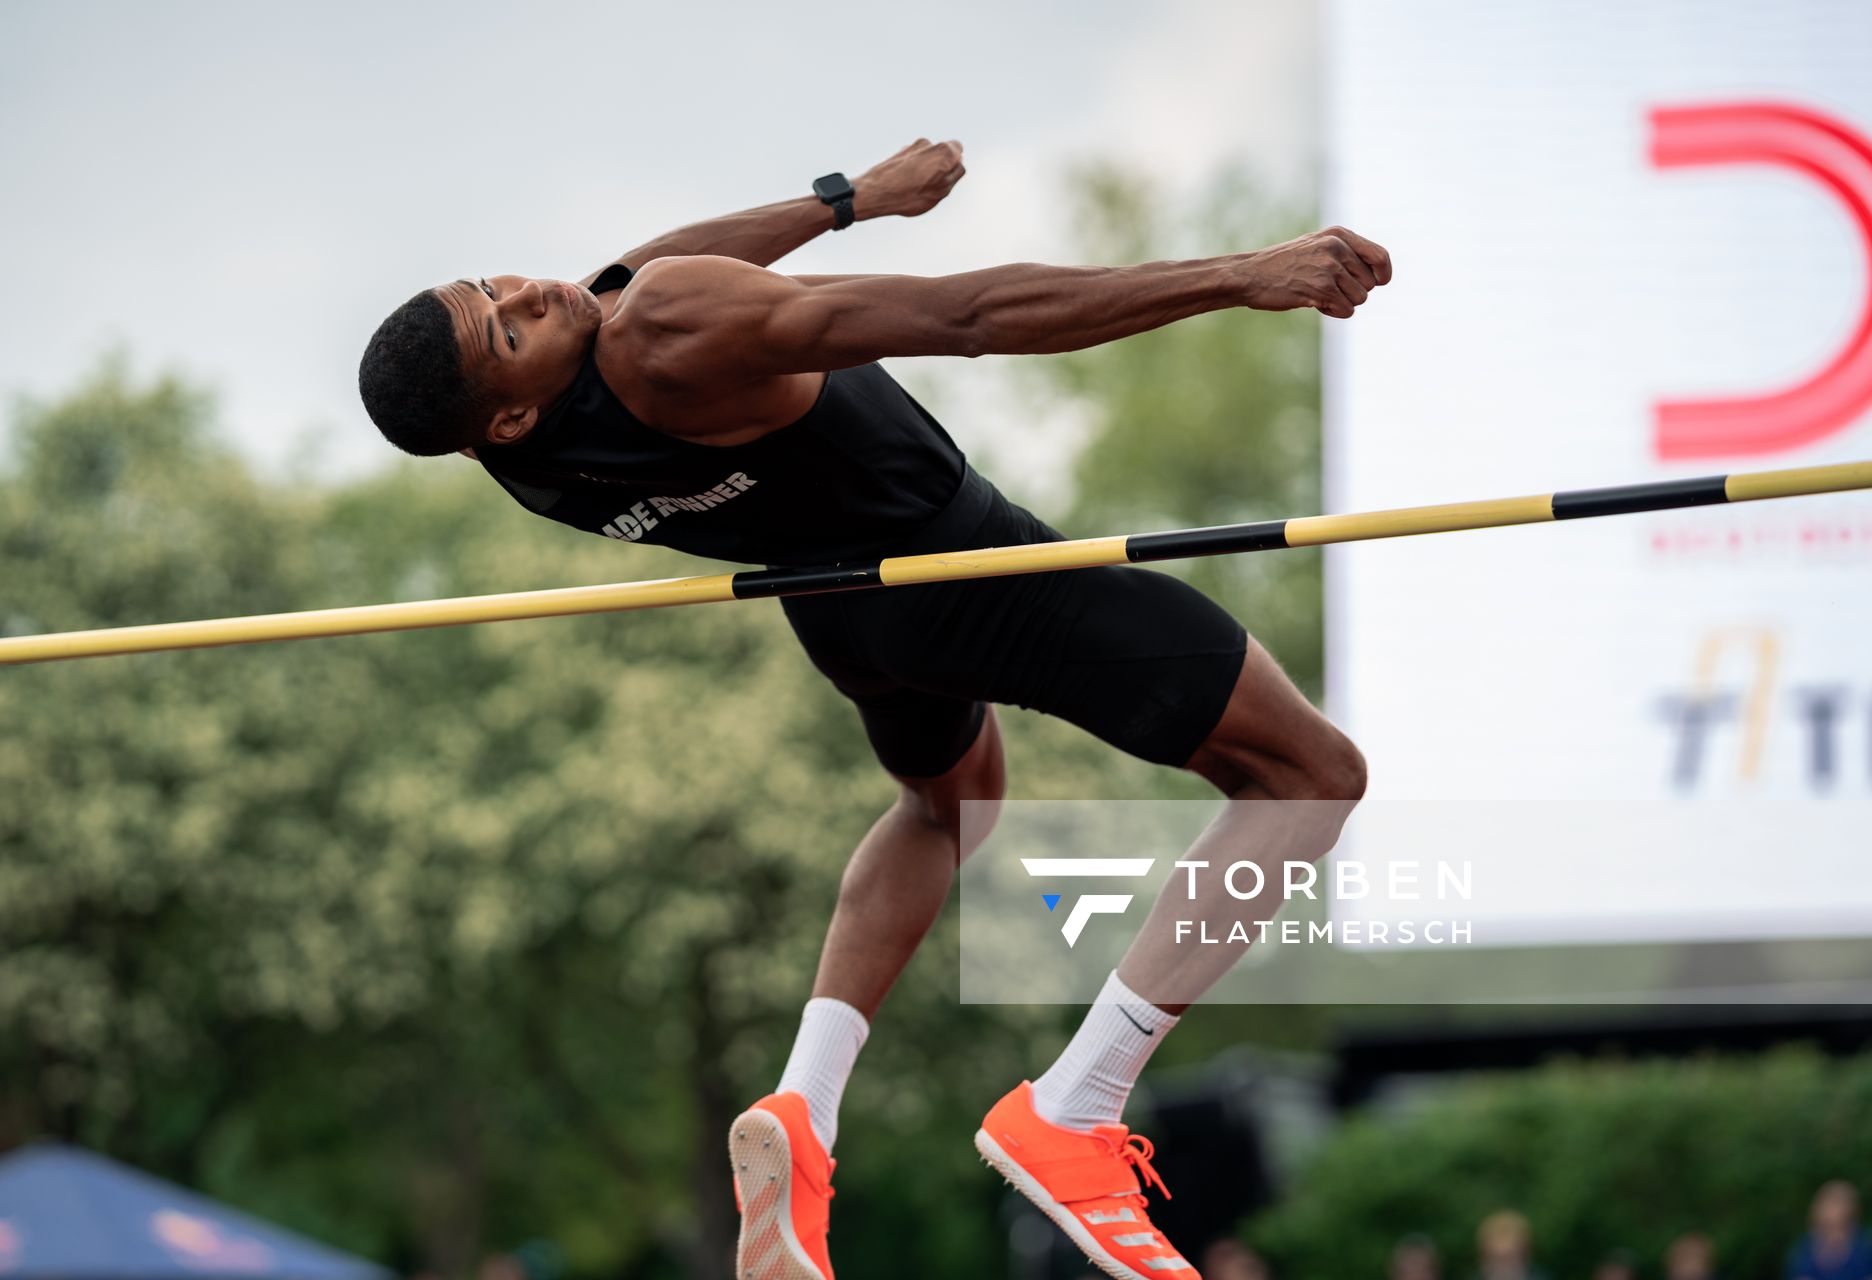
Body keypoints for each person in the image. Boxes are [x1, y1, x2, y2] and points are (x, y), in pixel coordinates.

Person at [359, 138, 1386, 1280]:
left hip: (851, 616)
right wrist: (1240, 276)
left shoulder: (524, 443)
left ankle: (805, 1106)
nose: (532, 291)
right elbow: (971, 313)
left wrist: (844, 204)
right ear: (502, 409)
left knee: (948, 810)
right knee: (1307, 775)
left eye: (496, 283)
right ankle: (1078, 1106)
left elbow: (629, 282)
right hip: (967, 572)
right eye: (507, 324)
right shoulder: (662, 332)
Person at [1786, 1181, 1872, 1280]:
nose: (1832, 1210)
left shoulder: (1867, 1245)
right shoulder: (1804, 1249)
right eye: (1829, 1203)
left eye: (1838, 1203)